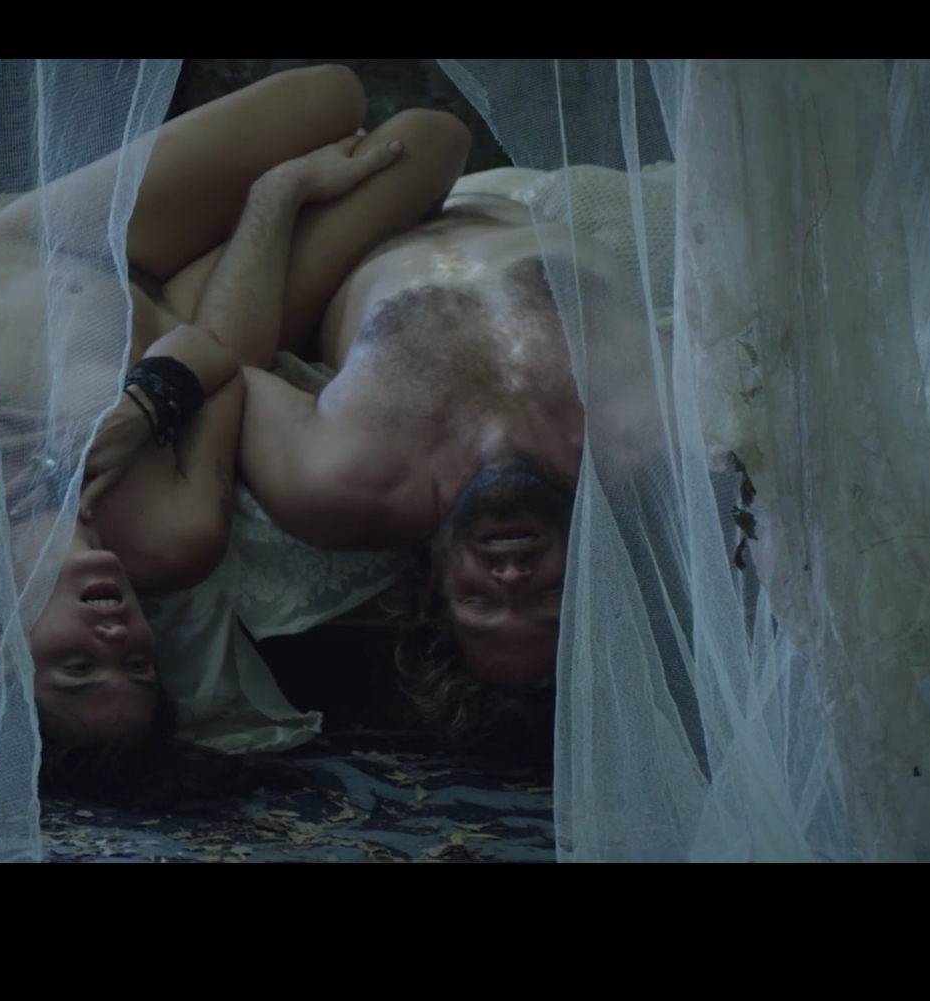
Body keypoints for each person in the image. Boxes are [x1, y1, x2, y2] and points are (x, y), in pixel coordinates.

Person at [0, 66, 472, 780]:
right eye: (139, 665)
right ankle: (274, 193)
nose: (115, 637)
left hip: (45, 242)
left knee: (329, 95)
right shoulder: (175, 536)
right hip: (180, 307)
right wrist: (146, 406)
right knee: (431, 142)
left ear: (0, 659)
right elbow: (218, 359)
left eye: (78, 666)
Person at [235, 182, 659, 761]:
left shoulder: (343, 484)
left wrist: (278, 199)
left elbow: (229, 367)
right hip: (509, 193)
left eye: (480, 604)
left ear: (434, 591)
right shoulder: (636, 436)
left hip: (353, 219)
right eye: (549, 596)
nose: (511, 577)